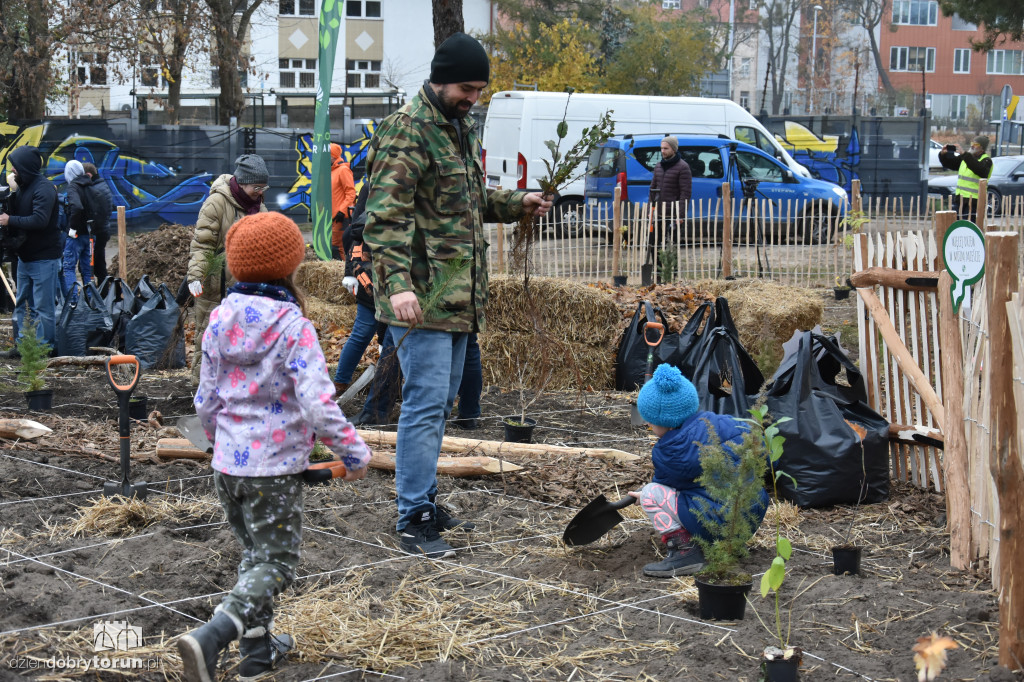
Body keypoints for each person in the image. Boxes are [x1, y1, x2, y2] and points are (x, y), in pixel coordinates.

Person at [362, 31, 552, 558]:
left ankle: (423, 498)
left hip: (459, 300)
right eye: (467, 88)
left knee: (440, 405)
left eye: (479, 91)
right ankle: (412, 515)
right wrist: (397, 286)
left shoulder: (457, 128)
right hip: (420, 298)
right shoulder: (409, 131)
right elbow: (384, 219)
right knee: (423, 406)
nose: (473, 99)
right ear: (441, 78)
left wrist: (518, 203)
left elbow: (467, 202)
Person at [178, 211, 370, 682]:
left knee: (253, 557)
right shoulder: (293, 325)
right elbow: (318, 403)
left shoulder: (219, 319)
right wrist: (354, 452)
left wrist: (219, 442)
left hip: (227, 466)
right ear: (292, 265)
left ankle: (257, 657)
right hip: (272, 472)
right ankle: (212, 636)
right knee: (278, 564)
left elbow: (204, 399)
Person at [628, 364, 769, 578]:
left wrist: (643, 494)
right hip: (749, 516)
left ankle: (685, 553)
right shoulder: (726, 423)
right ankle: (727, 545)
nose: (648, 424)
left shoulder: (668, 451)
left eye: (649, 422)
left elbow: (663, 486)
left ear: (661, 422)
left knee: (650, 494)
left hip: (716, 523)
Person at [186, 154, 270, 383]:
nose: (261, 192)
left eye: (263, 187)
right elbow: (202, 244)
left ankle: (237, 387)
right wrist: (196, 275)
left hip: (246, 289)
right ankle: (202, 389)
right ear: (242, 182)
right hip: (215, 289)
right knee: (209, 338)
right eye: (257, 186)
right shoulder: (217, 203)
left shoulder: (258, 206)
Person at [0, 146, 60, 355]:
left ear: (25, 167)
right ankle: (23, 346)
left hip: (44, 258)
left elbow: (40, 220)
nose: (13, 171)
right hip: (25, 258)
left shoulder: (43, 188)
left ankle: (44, 350)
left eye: (16, 167)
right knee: (23, 305)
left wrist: (10, 220)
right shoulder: (23, 187)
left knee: (44, 308)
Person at [938, 135, 993, 223]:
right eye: (972, 143)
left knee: (969, 227)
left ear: (982, 148)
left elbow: (979, 169)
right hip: (960, 199)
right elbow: (951, 164)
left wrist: (964, 154)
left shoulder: (986, 161)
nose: (972, 146)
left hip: (974, 201)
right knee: (956, 225)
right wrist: (943, 155)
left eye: (976, 144)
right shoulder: (965, 158)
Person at [61, 160, 95, 297]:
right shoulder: (90, 185)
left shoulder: (73, 187)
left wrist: (72, 229)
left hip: (76, 236)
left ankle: (73, 303)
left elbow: (77, 207)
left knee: (68, 268)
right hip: (89, 234)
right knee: (87, 270)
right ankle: (91, 302)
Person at [649, 135, 692, 225]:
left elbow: (685, 193)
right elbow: (652, 190)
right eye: (661, 148)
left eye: (666, 148)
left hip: (673, 215)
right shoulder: (658, 166)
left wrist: (680, 215)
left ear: (674, 149)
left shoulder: (683, 167)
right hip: (658, 214)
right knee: (654, 239)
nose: (662, 151)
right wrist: (650, 210)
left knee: (672, 239)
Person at [81, 162, 113, 283]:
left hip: (98, 233)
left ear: (88, 175)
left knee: (94, 265)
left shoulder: (96, 190)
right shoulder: (100, 186)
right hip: (102, 231)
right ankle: (103, 294)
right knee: (99, 263)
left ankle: (99, 294)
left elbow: (99, 214)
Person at [330, 143, 356, 260]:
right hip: (331, 216)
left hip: (340, 217)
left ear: (333, 156)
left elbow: (351, 193)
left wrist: (342, 211)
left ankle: (342, 272)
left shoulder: (343, 170)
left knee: (338, 246)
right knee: (333, 246)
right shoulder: (331, 171)